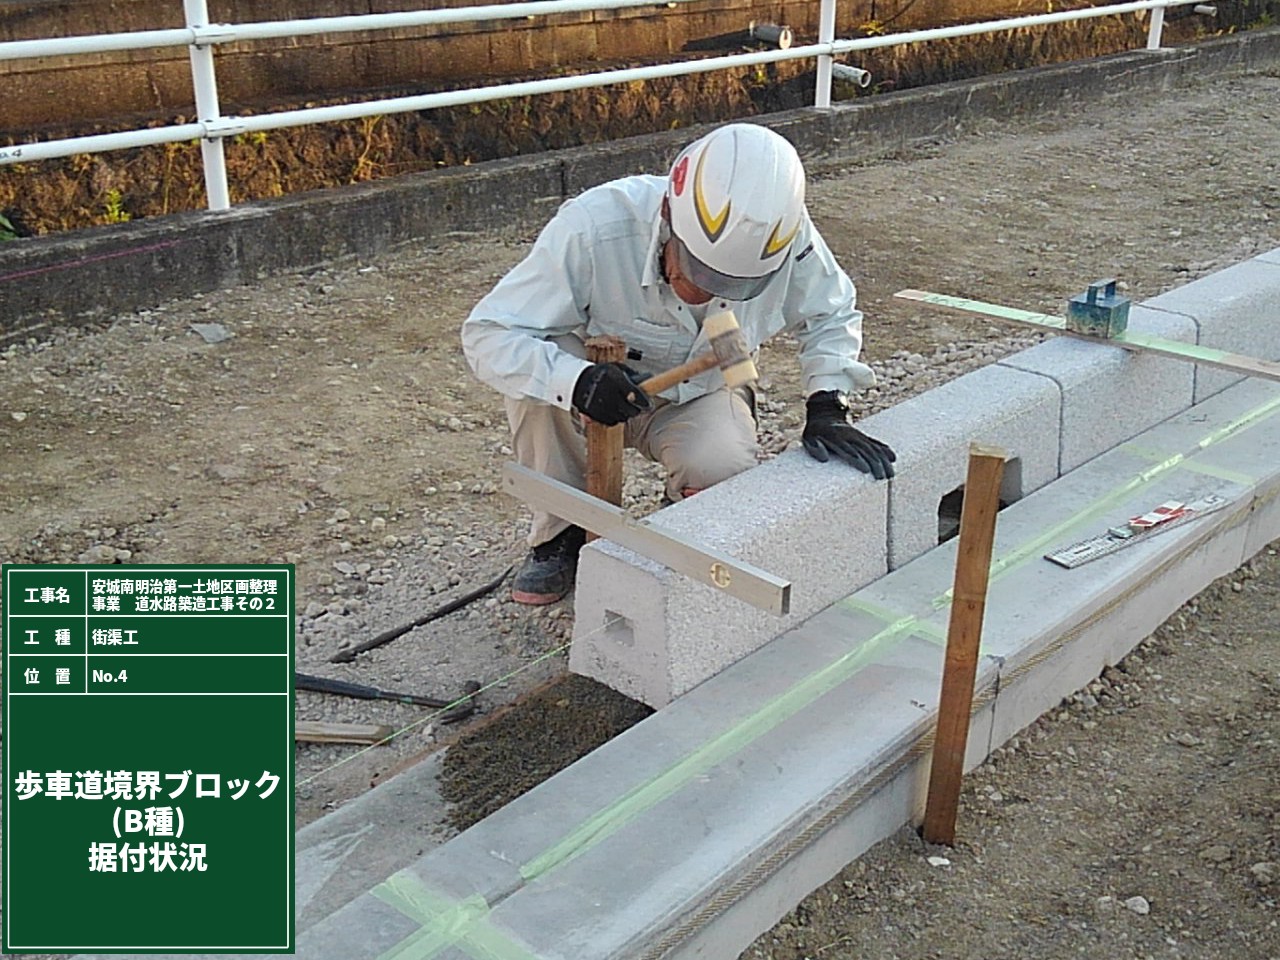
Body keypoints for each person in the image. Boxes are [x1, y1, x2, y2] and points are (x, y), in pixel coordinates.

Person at [462, 122, 895, 605]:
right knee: (535, 388)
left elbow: (831, 311)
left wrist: (828, 402)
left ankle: (678, 525)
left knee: (721, 468)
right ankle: (561, 533)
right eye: (696, 266)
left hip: (701, 387)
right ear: (669, 212)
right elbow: (489, 334)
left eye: (726, 281)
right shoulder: (596, 226)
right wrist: (577, 380)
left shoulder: (789, 238)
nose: (703, 290)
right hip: (589, 390)